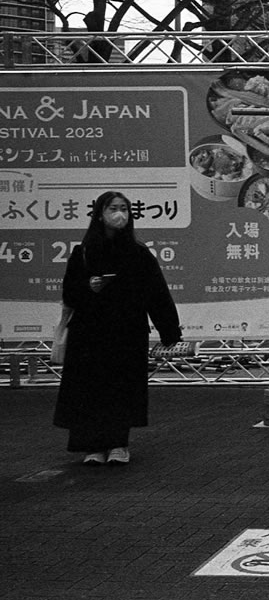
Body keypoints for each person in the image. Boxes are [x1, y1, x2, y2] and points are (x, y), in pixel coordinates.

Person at [53, 191, 182, 465]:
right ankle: (92, 446)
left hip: (126, 333)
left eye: (124, 208)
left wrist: (169, 330)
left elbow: (156, 293)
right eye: (113, 208)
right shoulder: (83, 252)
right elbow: (69, 292)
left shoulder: (138, 253)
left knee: (120, 389)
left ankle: (118, 445)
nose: (119, 214)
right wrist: (89, 286)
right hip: (88, 334)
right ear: (100, 213)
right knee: (90, 389)